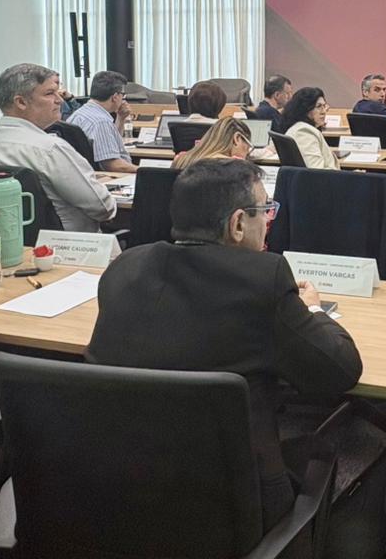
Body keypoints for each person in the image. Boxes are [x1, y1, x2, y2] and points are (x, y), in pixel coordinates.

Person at [86, 158, 361, 529]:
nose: (269, 219)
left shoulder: (125, 266)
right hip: (232, 509)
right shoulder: (265, 278)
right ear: (237, 224)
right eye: (265, 209)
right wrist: (312, 310)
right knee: (317, 450)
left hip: (114, 494)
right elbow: (340, 370)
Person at [0, 63, 115, 232]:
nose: (59, 100)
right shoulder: (50, 149)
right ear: (21, 102)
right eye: (49, 93)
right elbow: (103, 208)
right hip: (68, 244)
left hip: (7, 242)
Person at [67, 70, 137, 173]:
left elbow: (110, 142)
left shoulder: (79, 114)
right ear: (115, 97)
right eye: (123, 95)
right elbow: (112, 165)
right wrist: (145, 171)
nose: (123, 99)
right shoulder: (101, 122)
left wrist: (120, 118)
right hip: (115, 176)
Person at [283, 87, 340, 170]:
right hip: (327, 178)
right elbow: (317, 172)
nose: (324, 112)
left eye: (324, 106)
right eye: (319, 106)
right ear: (305, 109)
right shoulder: (304, 132)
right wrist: (349, 176)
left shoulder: (299, 127)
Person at [173, 116, 253, 169]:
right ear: (237, 139)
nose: (247, 155)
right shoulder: (235, 166)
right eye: (248, 147)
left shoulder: (181, 159)